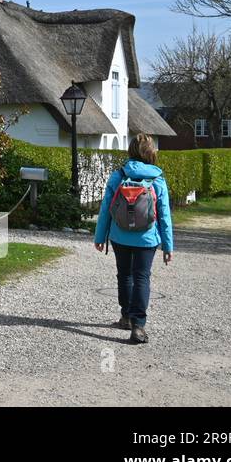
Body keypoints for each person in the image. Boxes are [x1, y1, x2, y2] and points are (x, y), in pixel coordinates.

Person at [93, 133, 174, 344]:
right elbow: (164, 214)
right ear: (151, 153)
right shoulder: (157, 179)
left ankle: (126, 316)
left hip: (120, 235)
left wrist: (100, 236)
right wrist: (168, 245)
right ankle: (138, 325)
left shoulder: (118, 176)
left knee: (124, 275)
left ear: (131, 151)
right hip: (147, 238)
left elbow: (106, 210)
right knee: (141, 277)